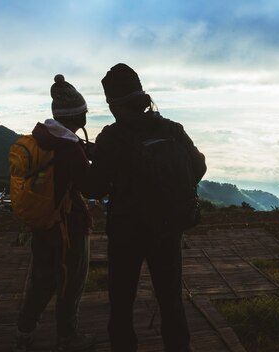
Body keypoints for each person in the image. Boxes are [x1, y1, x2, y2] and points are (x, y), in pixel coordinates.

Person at [82, 63, 207, 352]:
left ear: (113, 104)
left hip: (127, 231)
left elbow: (94, 188)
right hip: (168, 228)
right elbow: (198, 166)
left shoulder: (111, 137)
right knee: (170, 299)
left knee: (122, 302)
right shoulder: (172, 129)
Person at [14, 75, 95, 352]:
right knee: (71, 282)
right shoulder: (70, 149)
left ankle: (24, 331)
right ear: (77, 115)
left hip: (43, 222)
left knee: (41, 280)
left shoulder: (44, 139)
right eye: (84, 111)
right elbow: (92, 186)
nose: (86, 114)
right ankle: (67, 338)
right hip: (68, 226)